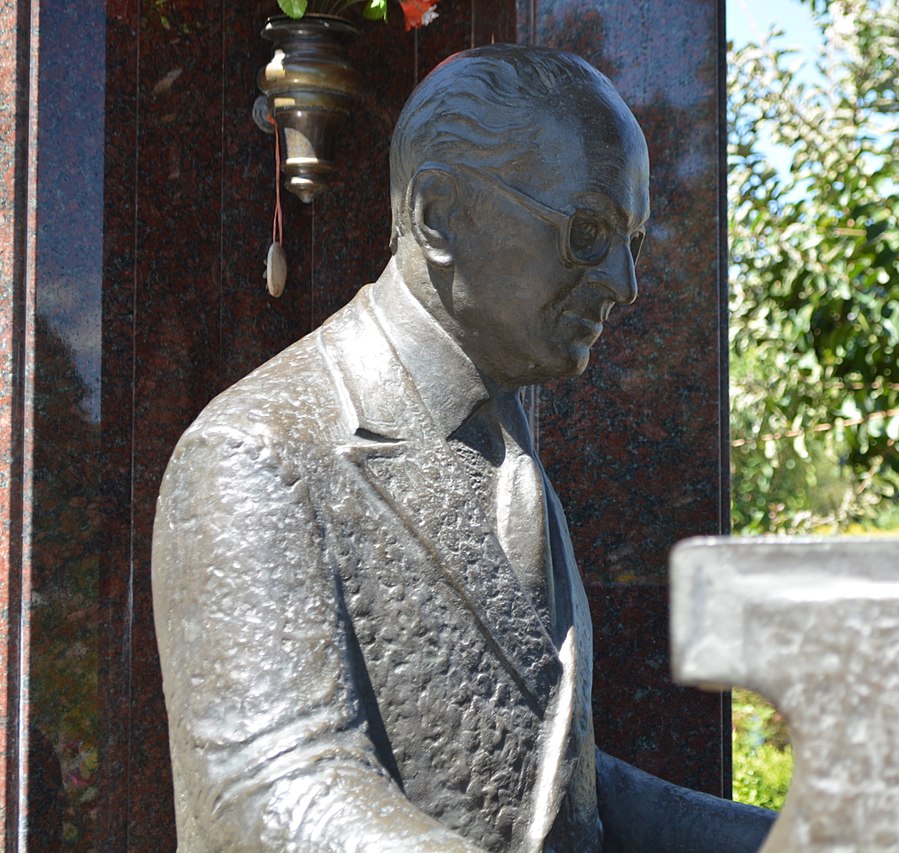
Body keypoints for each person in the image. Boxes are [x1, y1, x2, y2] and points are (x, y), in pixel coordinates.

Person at [151, 44, 773, 852]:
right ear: (440, 213)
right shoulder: (255, 453)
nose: (623, 284)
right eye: (588, 232)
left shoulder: (507, 446)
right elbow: (274, 797)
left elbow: (558, 777)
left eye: (635, 241)